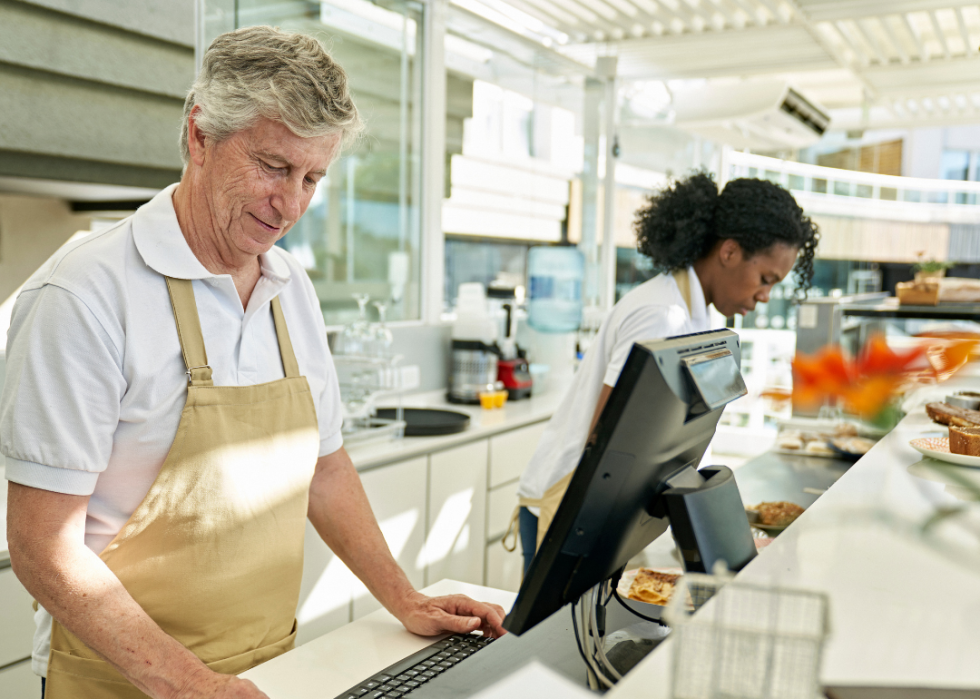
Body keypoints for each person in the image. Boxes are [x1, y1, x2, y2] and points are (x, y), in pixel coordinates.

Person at [0, 26, 505, 699]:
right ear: (199, 137)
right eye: (273, 166)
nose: (292, 204)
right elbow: (43, 547)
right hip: (124, 682)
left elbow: (324, 469)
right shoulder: (86, 295)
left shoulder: (290, 289)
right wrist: (191, 684)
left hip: (268, 673)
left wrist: (404, 597)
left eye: (312, 178)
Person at [514, 172, 820, 573]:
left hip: (598, 512)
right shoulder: (662, 314)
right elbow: (605, 440)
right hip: (568, 509)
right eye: (765, 279)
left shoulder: (693, 316)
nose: (765, 296)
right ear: (729, 252)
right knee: (542, 637)